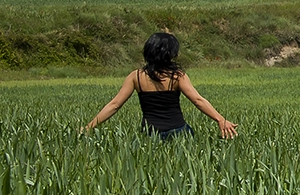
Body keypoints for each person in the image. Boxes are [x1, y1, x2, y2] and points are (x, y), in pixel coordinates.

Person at [84, 31, 238, 139]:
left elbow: (115, 104)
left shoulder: (136, 77)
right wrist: (220, 119)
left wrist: (89, 127)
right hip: (178, 133)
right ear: (170, 54)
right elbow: (198, 100)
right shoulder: (177, 76)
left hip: (151, 135)